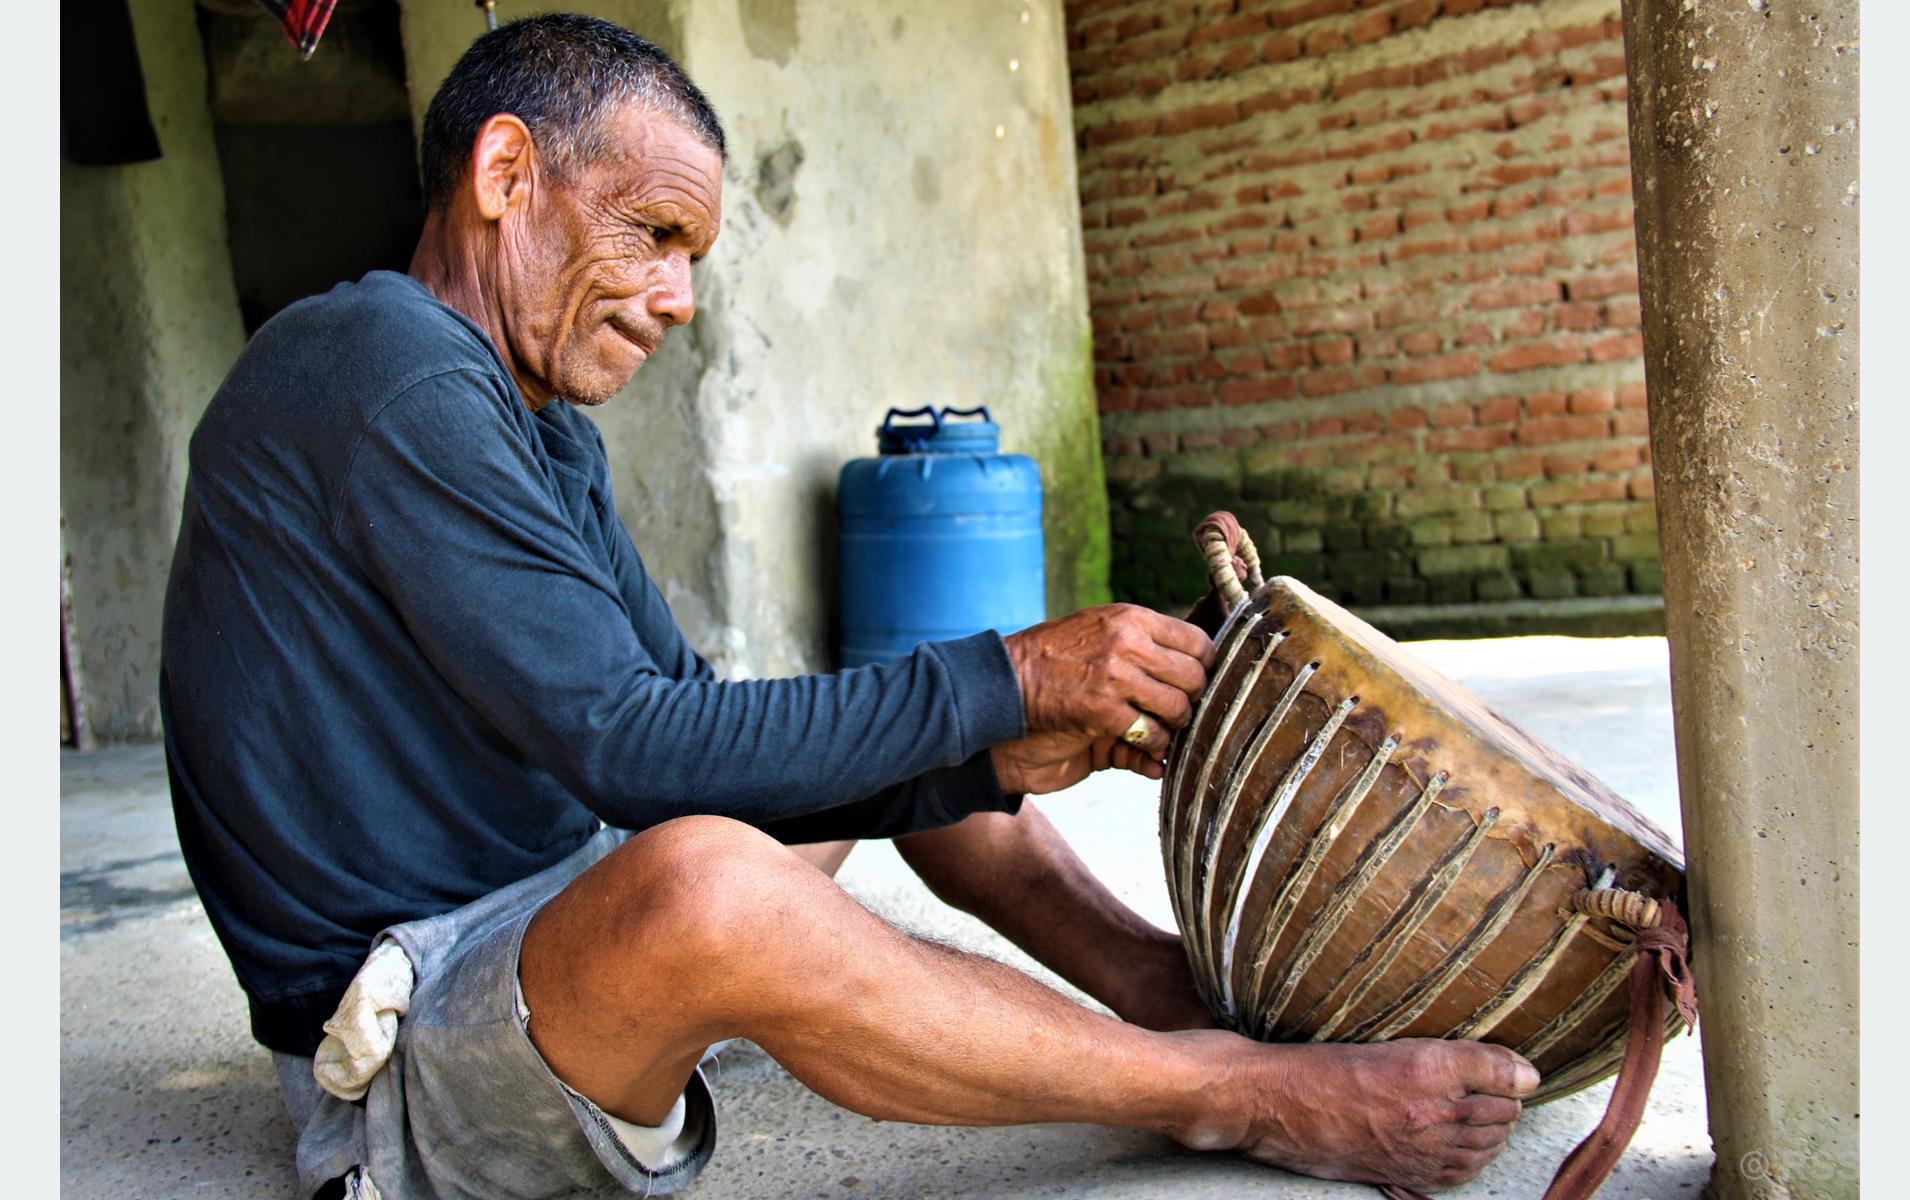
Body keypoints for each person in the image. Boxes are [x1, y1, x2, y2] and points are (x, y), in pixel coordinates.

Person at [160, 15, 1537, 1200]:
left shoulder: (527, 422)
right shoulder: (382, 366)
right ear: (506, 174)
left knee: (881, 747)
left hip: (540, 925)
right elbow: (627, 750)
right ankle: (1224, 1088)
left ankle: (1174, 991)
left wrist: (991, 739)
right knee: (718, 880)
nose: (678, 298)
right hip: (402, 1054)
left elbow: (693, 722)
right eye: (652, 235)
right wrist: (1004, 679)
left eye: (693, 255)